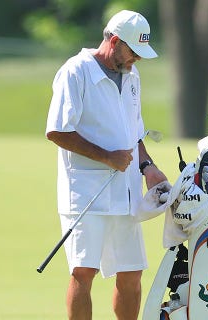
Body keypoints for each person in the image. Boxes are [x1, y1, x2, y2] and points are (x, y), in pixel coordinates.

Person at [45, 10, 167, 320]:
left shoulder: (131, 75)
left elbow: (134, 131)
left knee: (131, 274)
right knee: (83, 272)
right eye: (132, 52)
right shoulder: (76, 72)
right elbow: (57, 130)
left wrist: (147, 167)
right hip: (85, 193)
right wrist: (106, 156)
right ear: (114, 41)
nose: (136, 60)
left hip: (125, 192)